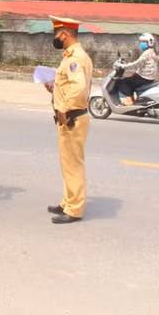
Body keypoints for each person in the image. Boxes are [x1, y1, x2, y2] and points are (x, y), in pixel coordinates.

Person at [43, 15, 93, 224]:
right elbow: (69, 85)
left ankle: (74, 209)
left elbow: (78, 88)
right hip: (71, 117)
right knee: (68, 163)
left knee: (73, 164)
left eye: (56, 33)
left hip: (72, 117)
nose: (55, 37)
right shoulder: (74, 55)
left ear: (64, 34)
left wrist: (63, 108)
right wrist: (53, 89)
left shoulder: (74, 58)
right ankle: (68, 201)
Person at [118, 32, 159, 106]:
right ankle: (132, 100)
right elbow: (142, 65)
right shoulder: (152, 52)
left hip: (144, 78)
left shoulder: (147, 53)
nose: (141, 44)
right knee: (130, 79)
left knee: (124, 82)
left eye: (144, 42)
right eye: (141, 42)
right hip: (147, 77)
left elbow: (137, 64)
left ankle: (128, 102)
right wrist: (135, 73)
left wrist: (123, 66)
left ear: (149, 43)